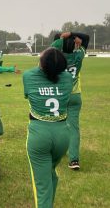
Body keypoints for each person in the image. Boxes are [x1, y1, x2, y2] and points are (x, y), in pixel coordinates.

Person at [23, 47, 73, 208]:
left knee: (42, 188)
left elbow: (28, 94)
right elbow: (57, 72)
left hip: (39, 134)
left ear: (43, 64)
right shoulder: (67, 78)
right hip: (63, 135)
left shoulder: (29, 75)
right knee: (51, 174)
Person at [52, 32, 89, 170]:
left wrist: (61, 38)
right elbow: (86, 38)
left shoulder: (57, 58)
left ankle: (56, 152)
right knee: (74, 129)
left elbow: (53, 46)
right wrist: (73, 34)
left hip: (60, 96)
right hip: (75, 96)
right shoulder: (79, 55)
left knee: (57, 125)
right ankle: (74, 160)